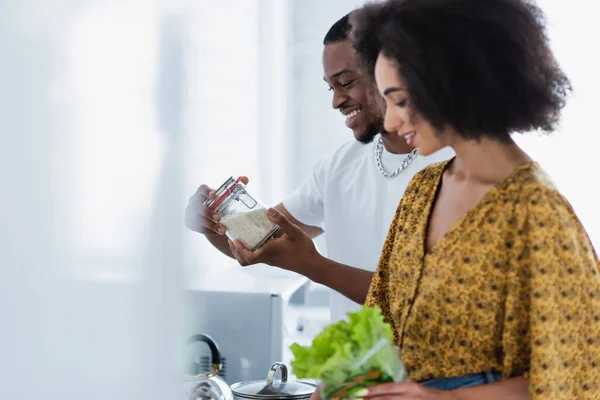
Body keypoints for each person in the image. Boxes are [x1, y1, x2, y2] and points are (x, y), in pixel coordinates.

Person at [341, 0, 600, 398]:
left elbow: (575, 377)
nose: (390, 121)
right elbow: (382, 320)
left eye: (401, 100)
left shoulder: (538, 214)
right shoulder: (422, 189)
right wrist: (345, 382)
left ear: (452, 82)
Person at [184, 14, 453, 323]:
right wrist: (211, 220)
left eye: (347, 83)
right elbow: (261, 246)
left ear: (392, 73)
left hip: (429, 372)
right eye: (331, 88)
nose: (337, 101)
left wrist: (315, 266)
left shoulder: (456, 169)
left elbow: (433, 304)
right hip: (352, 372)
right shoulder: (338, 168)